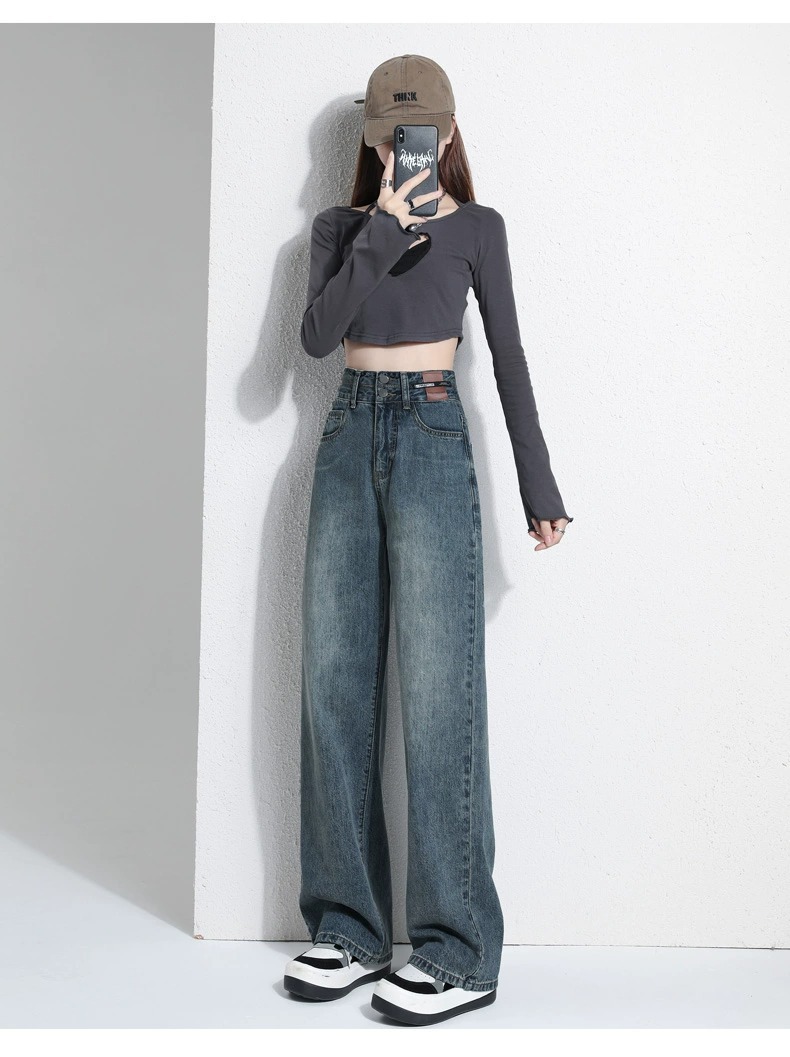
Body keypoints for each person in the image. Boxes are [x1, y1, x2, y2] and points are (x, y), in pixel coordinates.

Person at [283, 54, 574, 1026]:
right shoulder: (338, 231)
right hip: (346, 436)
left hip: (435, 435)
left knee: (441, 695)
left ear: (446, 133)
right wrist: (381, 232)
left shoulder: (480, 229)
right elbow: (316, 338)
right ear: (373, 142)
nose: (403, 148)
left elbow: (511, 356)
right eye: (388, 136)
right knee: (333, 687)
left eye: (418, 133)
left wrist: (539, 483)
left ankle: (458, 949)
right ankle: (349, 928)